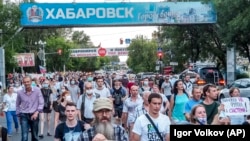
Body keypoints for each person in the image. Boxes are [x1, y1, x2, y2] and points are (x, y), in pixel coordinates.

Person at [16, 76, 45, 141]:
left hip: (34, 114)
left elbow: (41, 103)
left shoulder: (37, 90)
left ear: (31, 82)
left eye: (28, 82)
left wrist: (37, 113)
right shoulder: (20, 92)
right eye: (25, 82)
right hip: (24, 115)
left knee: (34, 136)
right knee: (24, 136)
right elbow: (17, 104)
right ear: (23, 83)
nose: (26, 83)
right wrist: (18, 115)